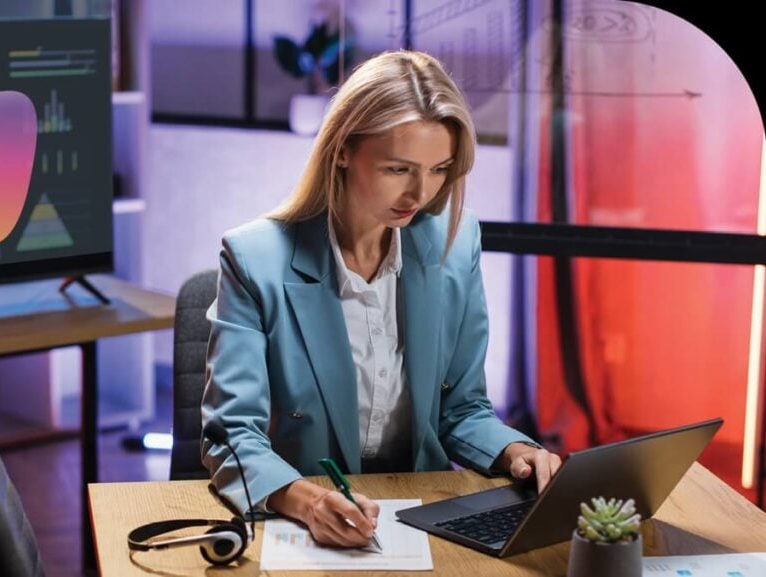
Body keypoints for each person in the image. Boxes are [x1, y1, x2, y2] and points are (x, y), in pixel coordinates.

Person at [200, 50, 561, 550]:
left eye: (439, 169)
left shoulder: (454, 245)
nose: (421, 193)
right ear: (343, 149)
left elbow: (461, 409)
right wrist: (307, 501)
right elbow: (232, 434)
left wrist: (515, 452)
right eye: (399, 169)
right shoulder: (254, 257)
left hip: (425, 512)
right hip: (304, 516)